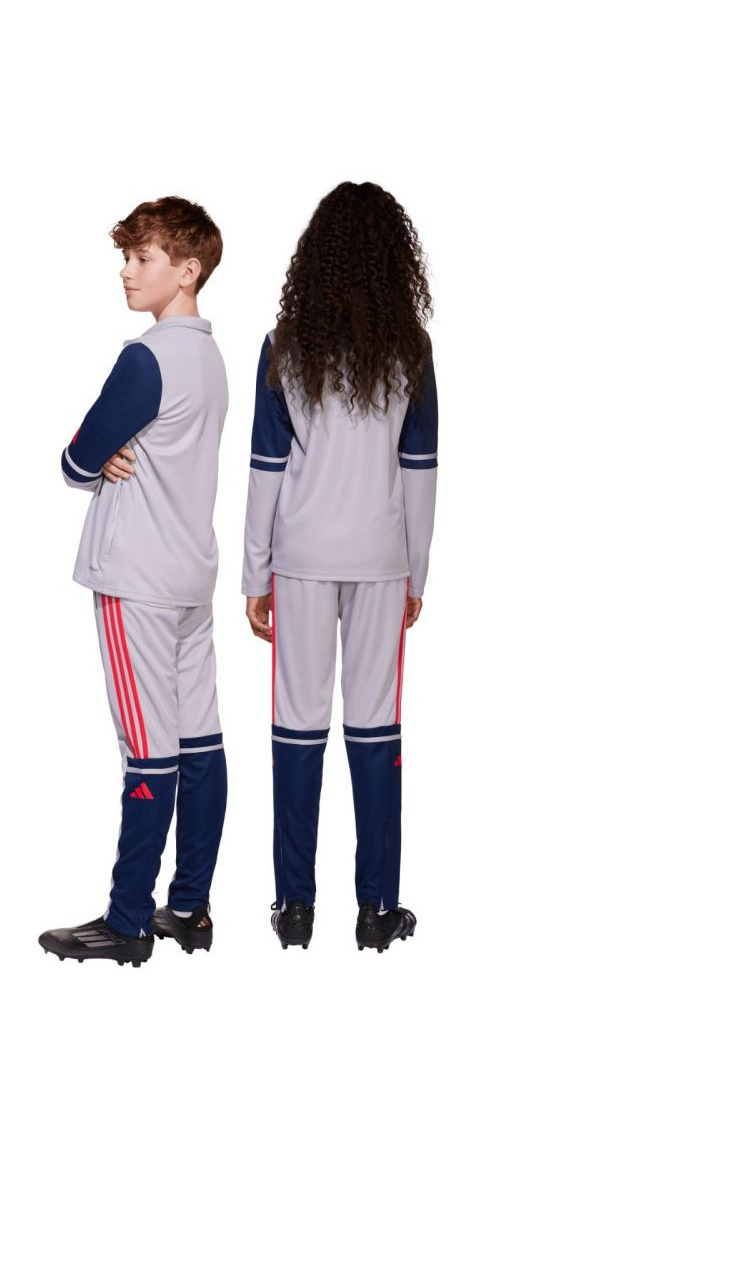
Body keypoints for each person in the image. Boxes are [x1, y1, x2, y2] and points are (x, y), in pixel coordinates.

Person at [241, 181, 438, 954]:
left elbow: (266, 467)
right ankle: (376, 910)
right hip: (381, 558)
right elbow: (419, 470)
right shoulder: (410, 349)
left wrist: (255, 574)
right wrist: (417, 574)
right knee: (375, 725)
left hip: (300, 557)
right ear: (395, 257)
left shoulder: (285, 345)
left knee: (296, 725)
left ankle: (294, 907)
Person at [39, 196, 229, 967]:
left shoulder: (146, 358)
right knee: (200, 741)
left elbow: (77, 458)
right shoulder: (212, 360)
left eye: (143, 258)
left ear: (188, 270)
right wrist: (113, 450)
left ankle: (126, 922)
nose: (126, 271)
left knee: (148, 750)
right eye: (126, 257)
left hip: (136, 576)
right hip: (190, 573)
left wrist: (102, 455)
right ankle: (189, 906)